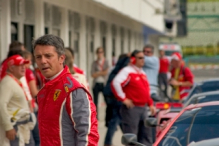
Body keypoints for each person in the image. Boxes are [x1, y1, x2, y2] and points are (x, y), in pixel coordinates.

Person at [33, 34, 99, 146]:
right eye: (38, 57)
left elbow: (88, 135)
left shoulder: (74, 90)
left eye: (48, 56)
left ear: (61, 58)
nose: (43, 61)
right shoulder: (47, 88)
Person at [111, 50, 156, 146]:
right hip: (132, 109)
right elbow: (115, 83)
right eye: (140, 58)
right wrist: (123, 99)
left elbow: (146, 91)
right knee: (132, 137)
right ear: (133, 59)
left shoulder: (142, 72)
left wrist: (150, 104)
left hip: (143, 108)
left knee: (146, 135)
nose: (143, 60)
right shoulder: (127, 71)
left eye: (143, 57)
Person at [0, 55, 35, 146]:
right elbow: (1, 104)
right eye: (20, 65)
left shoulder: (13, 81)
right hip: (15, 127)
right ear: (12, 68)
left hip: (21, 126)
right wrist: (8, 127)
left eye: (24, 64)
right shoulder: (8, 83)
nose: (24, 67)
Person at [103, 53, 130, 146]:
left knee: (120, 120)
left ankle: (129, 140)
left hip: (110, 97)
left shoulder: (114, 69)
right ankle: (108, 142)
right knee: (116, 120)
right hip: (116, 98)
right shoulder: (122, 71)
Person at [91, 47, 109, 115]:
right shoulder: (94, 63)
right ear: (96, 53)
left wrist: (98, 73)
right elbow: (92, 74)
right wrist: (102, 72)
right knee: (95, 101)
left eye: (101, 52)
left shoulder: (106, 62)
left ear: (103, 53)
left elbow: (106, 72)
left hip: (104, 83)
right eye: (98, 52)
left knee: (107, 101)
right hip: (96, 84)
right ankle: (96, 116)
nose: (100, 53)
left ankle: (107, 116)